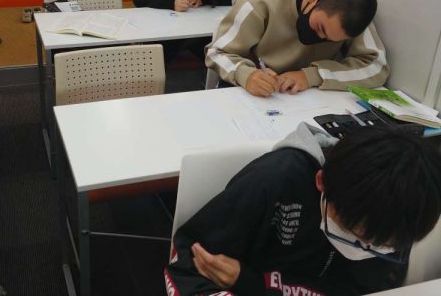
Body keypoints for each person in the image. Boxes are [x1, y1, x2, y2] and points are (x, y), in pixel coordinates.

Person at [165, 124, 441, 296]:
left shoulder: (400, 216)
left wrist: (252, 285)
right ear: (321, 182)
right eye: (350, 231)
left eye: (379, 246)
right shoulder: (277, 180)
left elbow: (368, 286)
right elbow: (188, 263)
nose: (363, 247)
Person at [205, 0, 389, 96]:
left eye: (332, 40)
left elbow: (376, 67)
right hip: (253, 91)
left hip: (304, 99)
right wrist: (245, 74)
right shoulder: (258, 4)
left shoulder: (352, 16)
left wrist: (312, 75)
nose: (320, 38)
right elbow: (216, 52)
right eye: (320, 27)